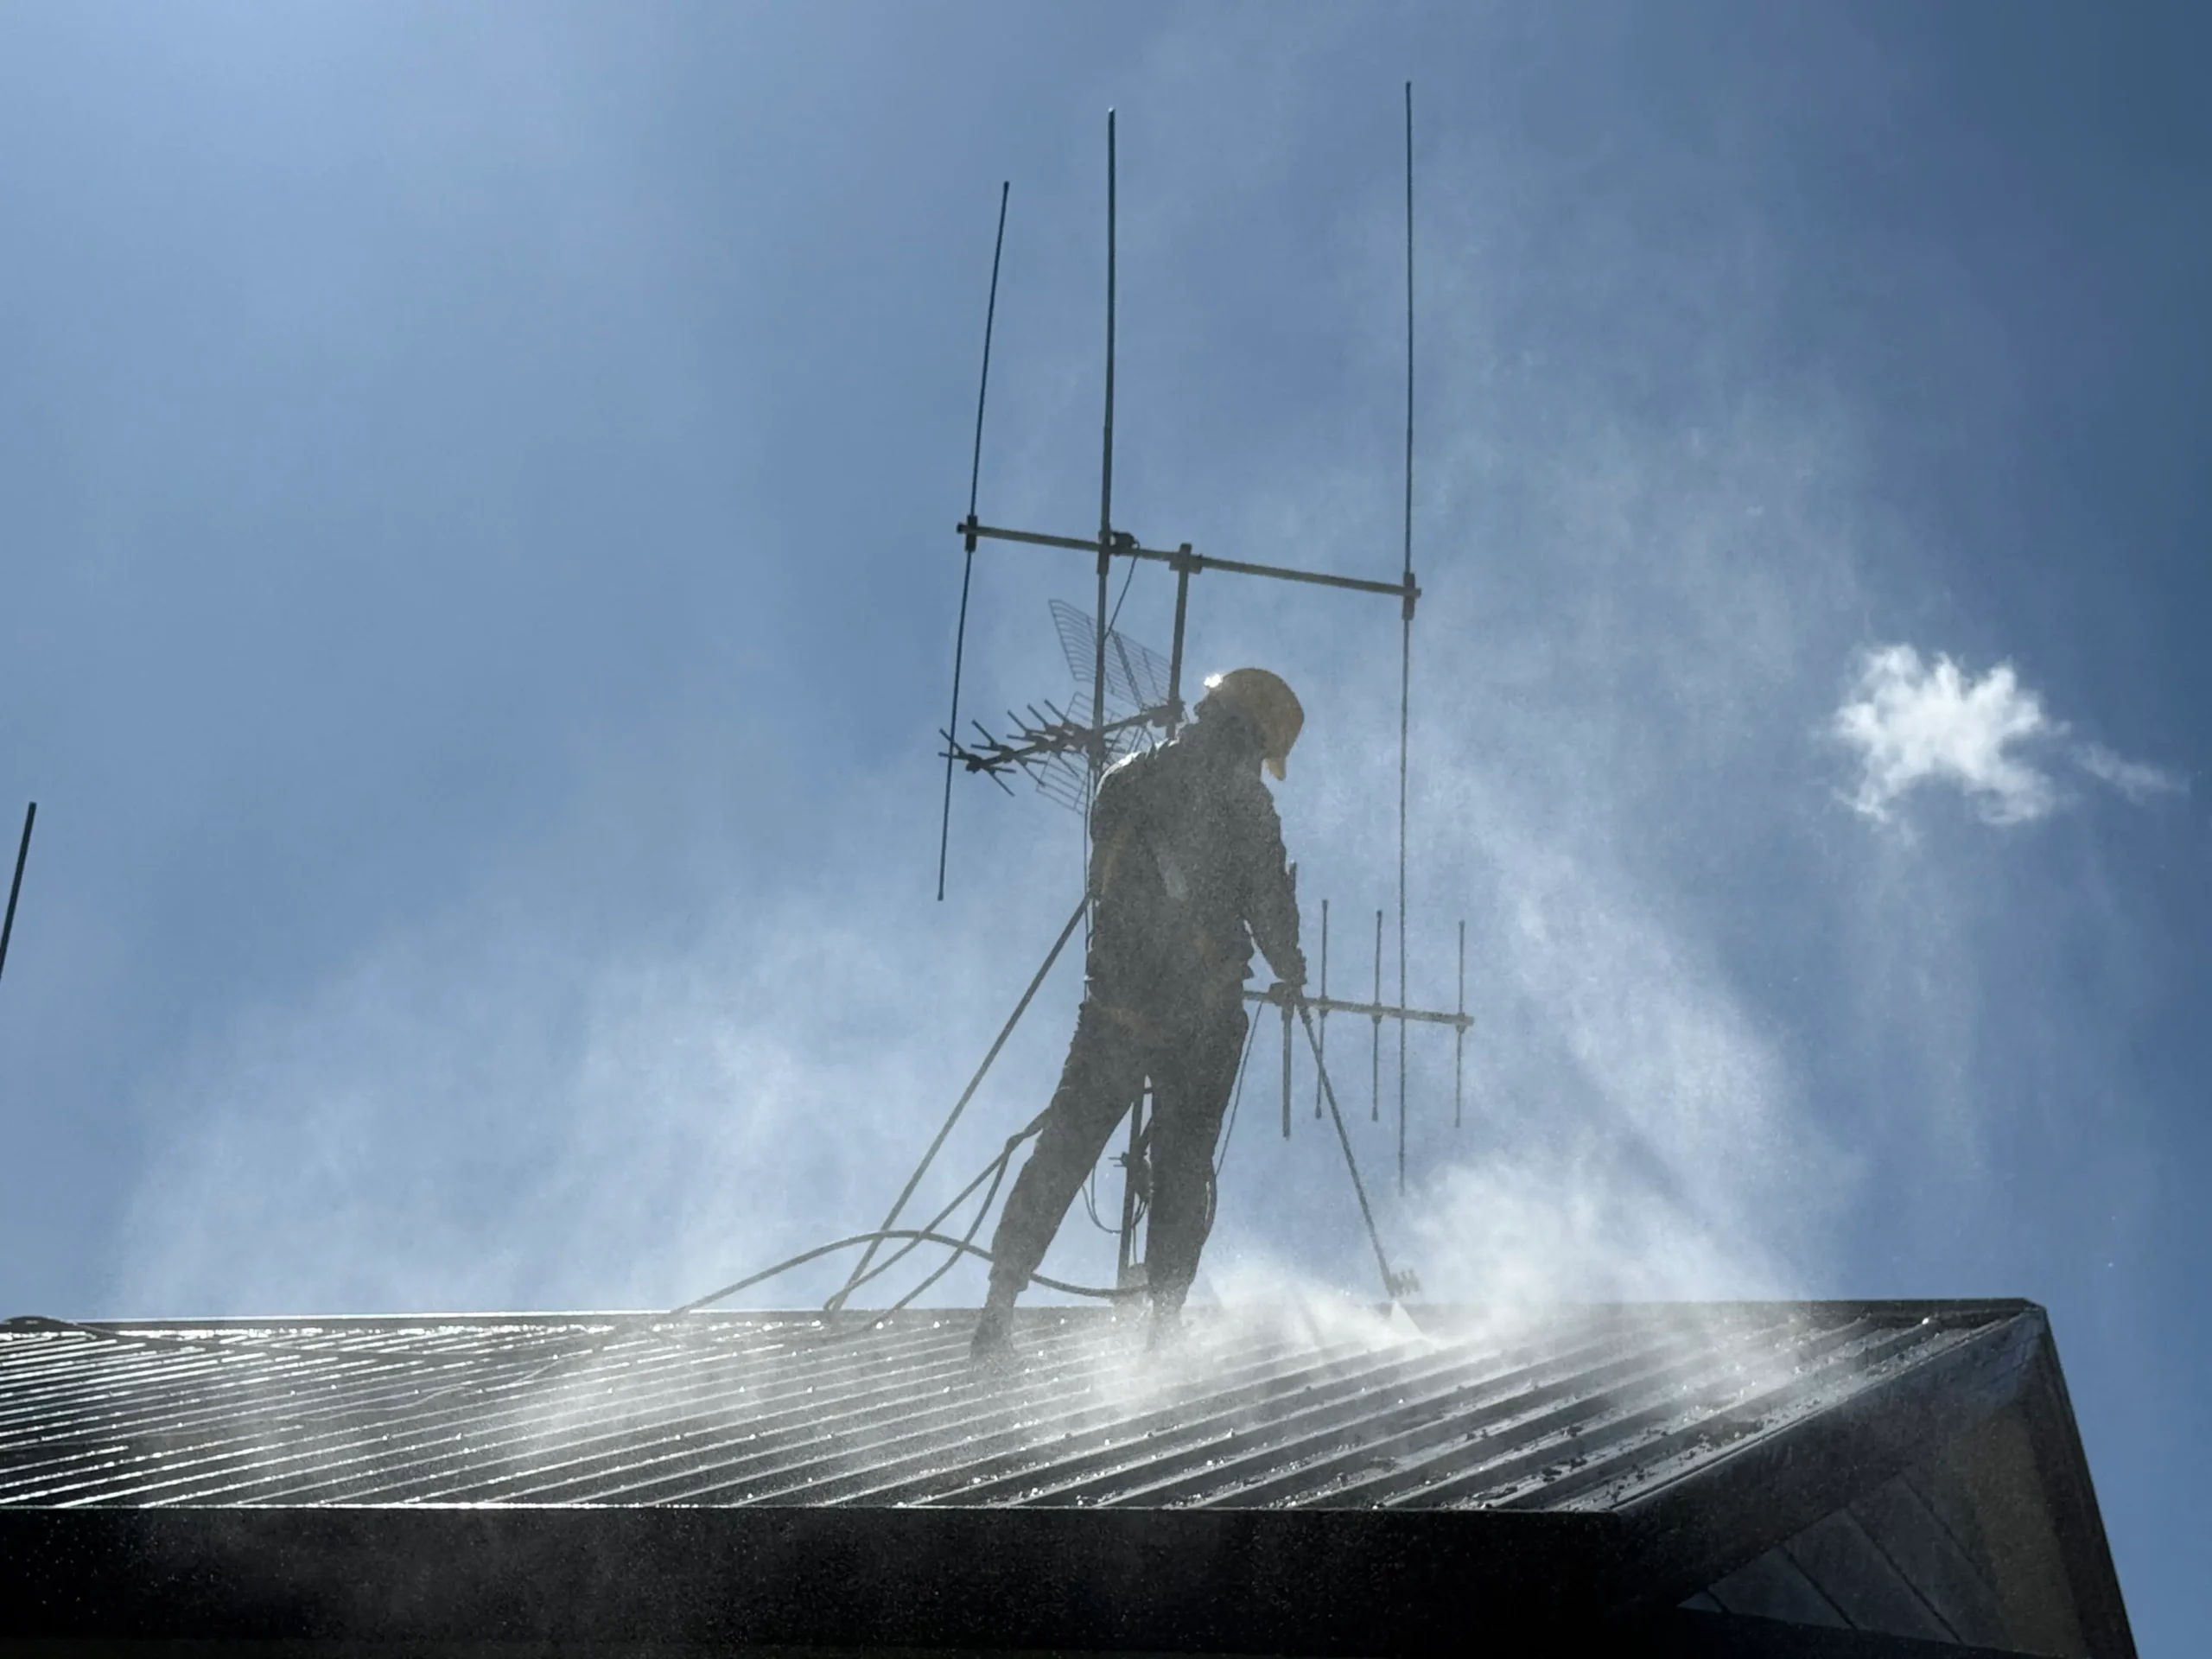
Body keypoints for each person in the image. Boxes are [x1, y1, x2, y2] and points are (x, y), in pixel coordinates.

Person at [972, 667, 1307, 1363]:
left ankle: (999, 1306)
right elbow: (1270, 908)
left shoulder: (1125, 779)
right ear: (1251, 740)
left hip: (1118, 1006)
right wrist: (1292, 969)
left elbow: (1109, 880)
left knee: (1065, 1148)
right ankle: (1163, 1326)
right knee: (1183, 1167)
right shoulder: (1247, 807)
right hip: (1200, 1017)